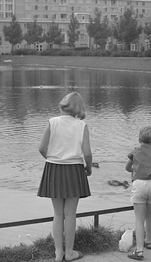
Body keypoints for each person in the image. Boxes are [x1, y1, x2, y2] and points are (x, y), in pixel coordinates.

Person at [38, 92, 93, 262]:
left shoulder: (52, 122)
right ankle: (69, 253)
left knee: (57, 214)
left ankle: (58, 253)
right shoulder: (81, 125)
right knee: (70, 214)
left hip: (53, 168)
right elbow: (88, 153)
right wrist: (88, 168)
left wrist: (52, 158)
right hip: (74, 169)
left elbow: (41, 148)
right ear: (78, 108)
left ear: (63, 104)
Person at [125, 126, 151, 260]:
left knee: (139, 218)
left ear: (139, 139)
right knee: (149, 215)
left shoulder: (135, 152)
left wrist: (136, 169)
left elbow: (127, 167)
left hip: (139, 184)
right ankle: (148, 241)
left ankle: (139, 250)